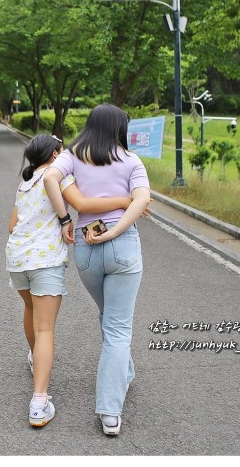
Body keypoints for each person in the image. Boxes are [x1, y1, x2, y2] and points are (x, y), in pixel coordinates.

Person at [6, 133, 134, 428]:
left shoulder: (24, 184)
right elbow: (84, 204)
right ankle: (39, 402)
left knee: (31, 311)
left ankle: (34, 357)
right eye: (61, 150)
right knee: (45, 327)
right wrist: (129, 200)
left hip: (17, 259)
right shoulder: (58, 177)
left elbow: (12, 225)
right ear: (53, 155)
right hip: (45, 260)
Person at [43, 104, 152, 437]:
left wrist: (65, 219)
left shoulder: (73, 154)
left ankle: (125, 372)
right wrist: (116, 231)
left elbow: (49, 177)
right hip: (122, 246)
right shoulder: (131, 161)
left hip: (87, 249)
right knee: (118, 328)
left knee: (108, 316)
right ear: (120, 128)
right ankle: (109, 412)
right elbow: (142, 199)